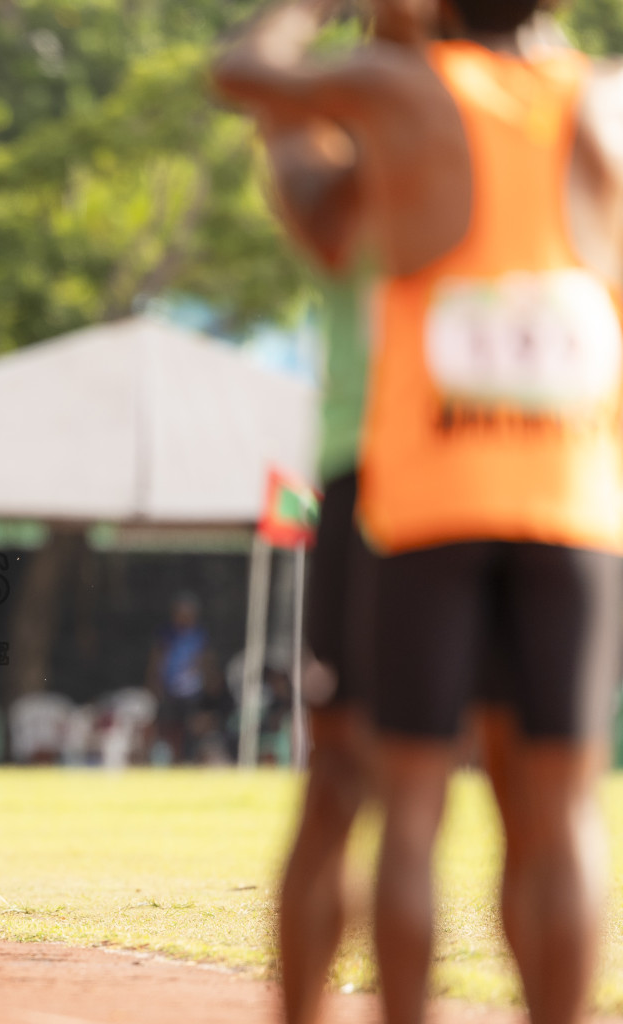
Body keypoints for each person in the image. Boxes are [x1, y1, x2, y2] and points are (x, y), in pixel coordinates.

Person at [216, 3, 623, 1023]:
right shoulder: (589, 97)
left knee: (414, 805)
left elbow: (263, 103)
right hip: (557, 488)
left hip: (416, 484)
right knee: (535, 803)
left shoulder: (395, 97)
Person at [144, 593, 215, 763]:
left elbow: (205, 662)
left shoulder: (199, 636)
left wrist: (208, 685)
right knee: (166, 728)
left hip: (192, 693)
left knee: (191, 729)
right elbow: (156, 662)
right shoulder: (165, 634)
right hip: (169, 691)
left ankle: (188, 760)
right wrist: (154, 684)